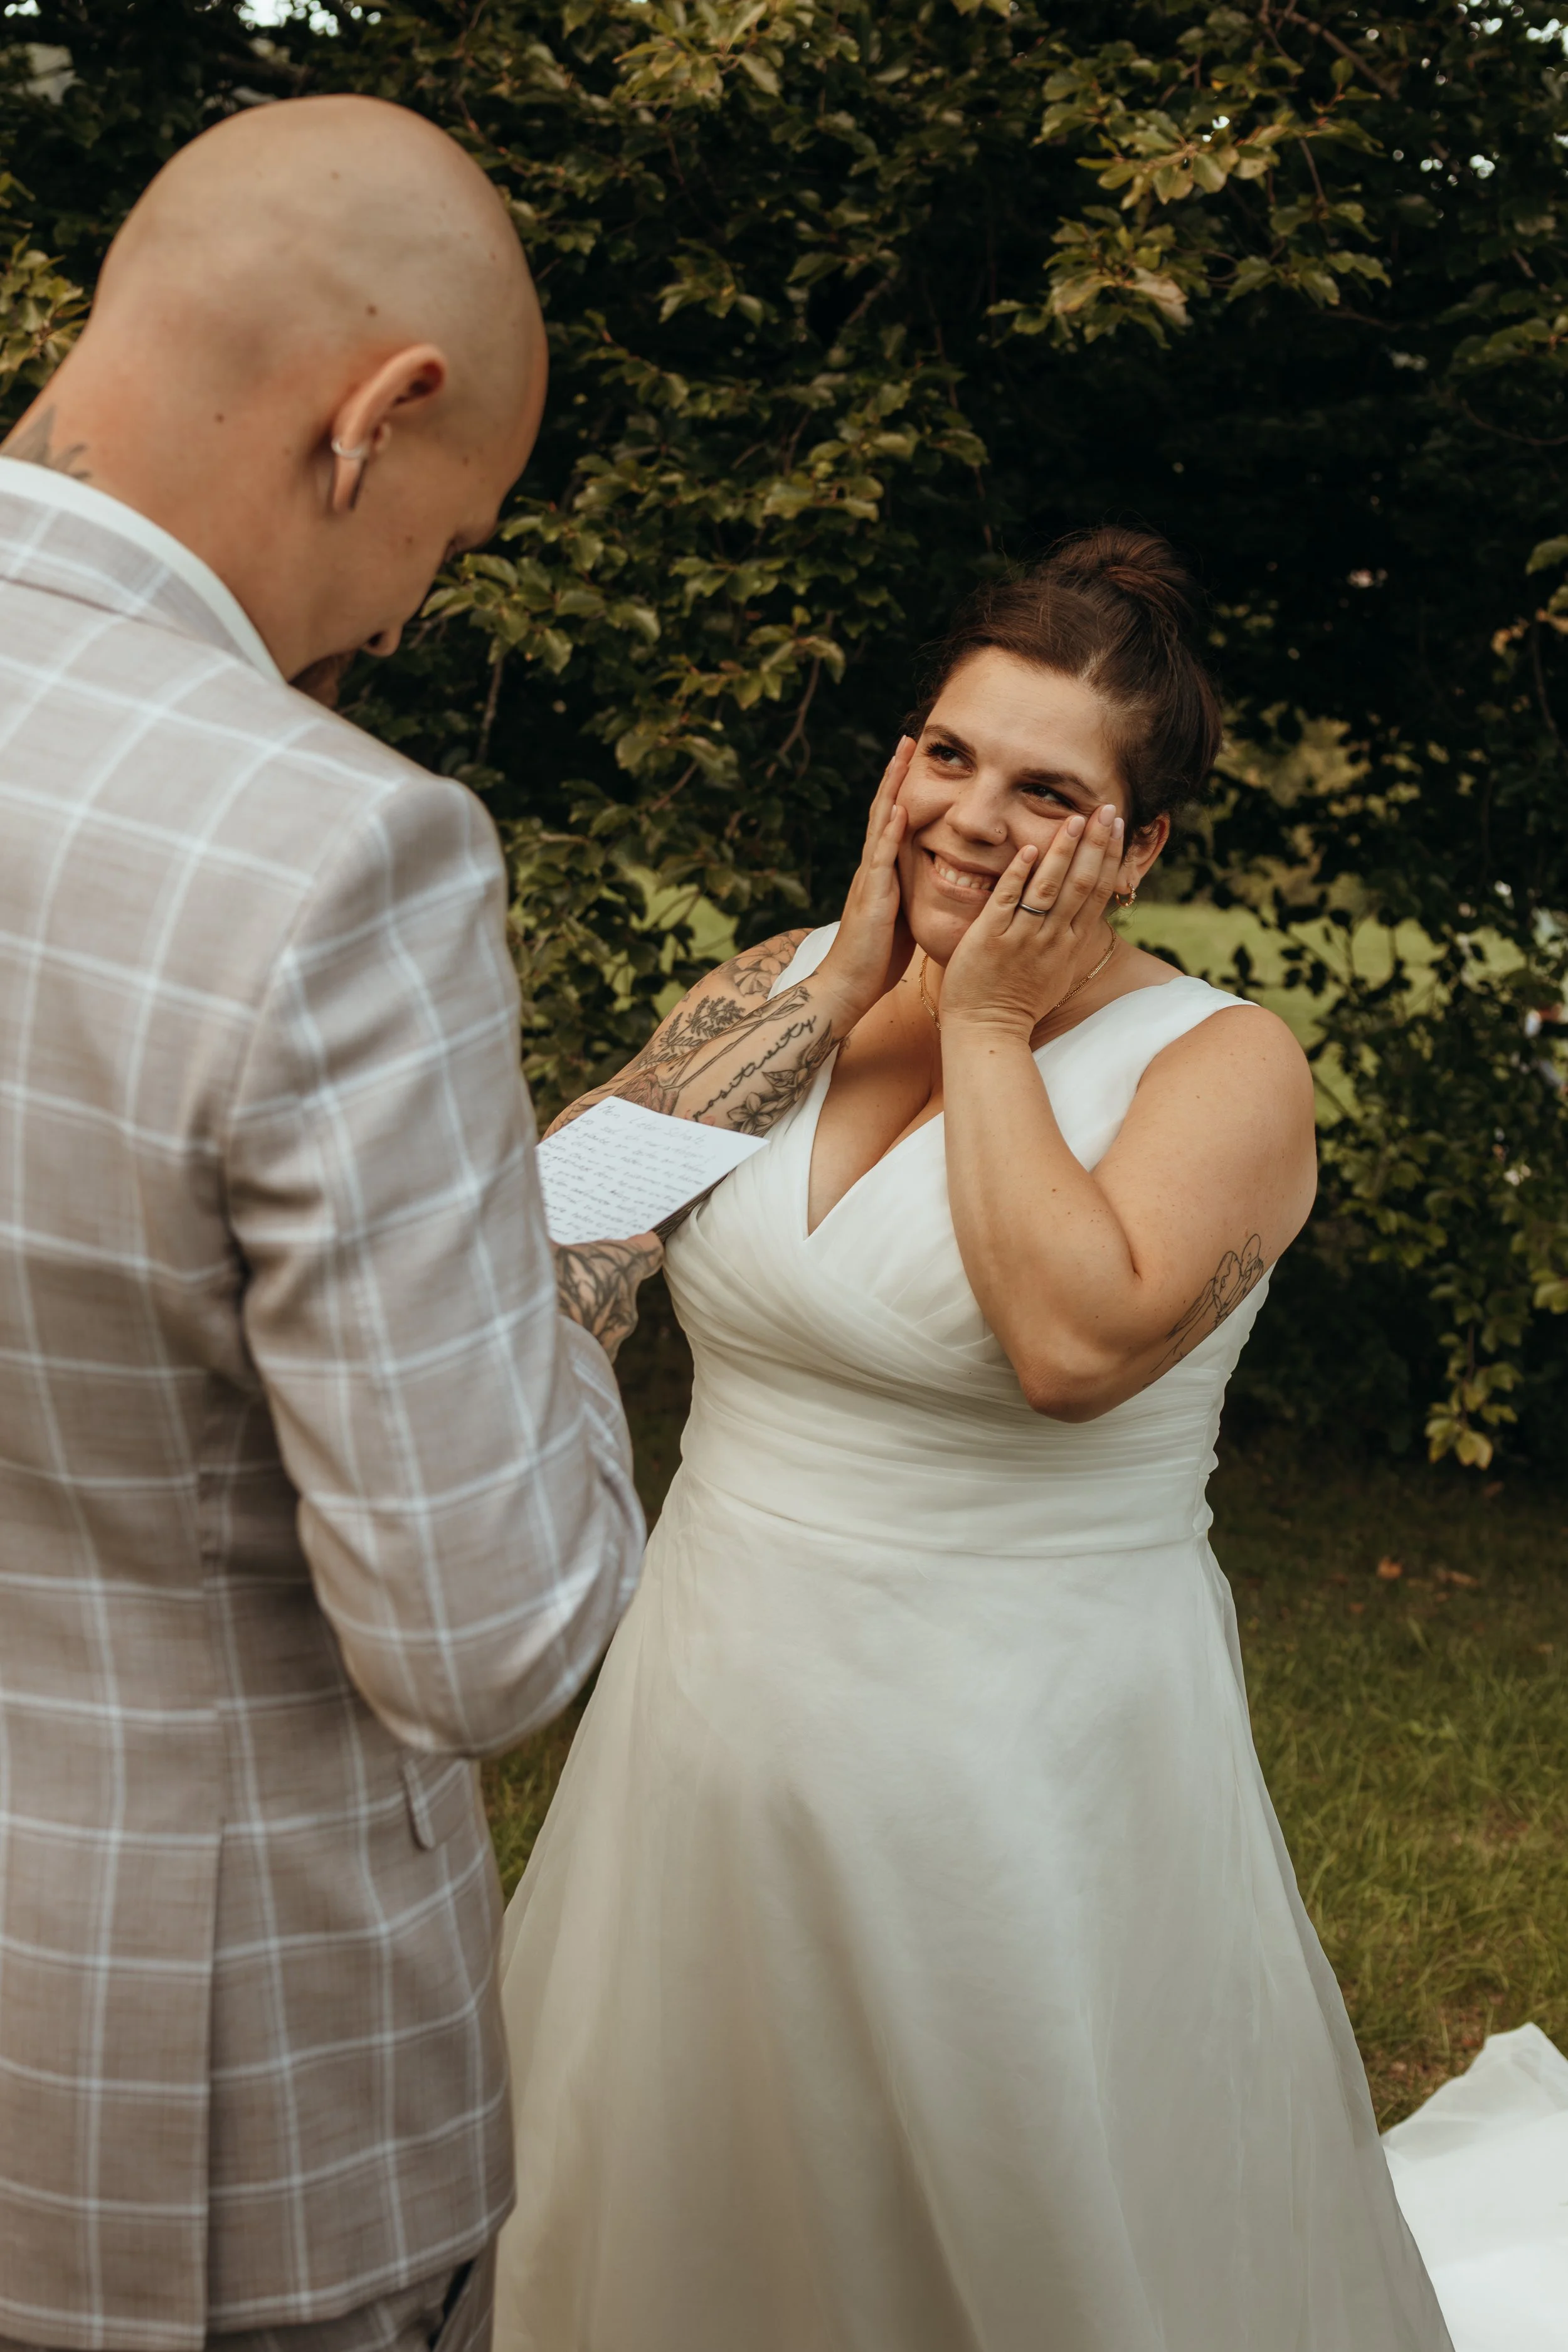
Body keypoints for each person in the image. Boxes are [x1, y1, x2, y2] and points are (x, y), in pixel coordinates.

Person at [494, 530, 1454, 2350]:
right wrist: (827, 988)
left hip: (1015, 1758)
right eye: (946, 753)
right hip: (707, 1712)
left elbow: (1072, 1344)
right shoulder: (786, 988)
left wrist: (991, 1026)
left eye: (1046, 792)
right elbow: (536, 1251)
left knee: (1018, 2213)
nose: (966, 815)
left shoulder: (1218, 1066)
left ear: (1141, 846)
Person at [0, 96, 652, 2352]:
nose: (399, 612)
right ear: (380, 419)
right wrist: (557, 1288)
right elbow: (481, 1634)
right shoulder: (331, 852)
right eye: (447, 547)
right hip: (193, 2130)